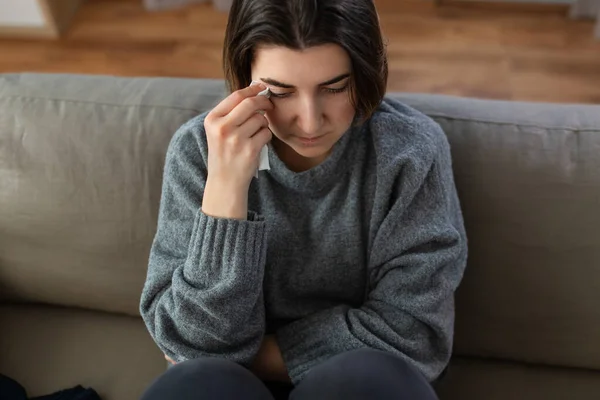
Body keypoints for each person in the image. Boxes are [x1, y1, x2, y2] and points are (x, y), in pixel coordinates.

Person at [138, 0, 468, 398]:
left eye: (334, 87)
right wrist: (225, 192)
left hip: (360, 385)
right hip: (226, 387)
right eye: (280, 92)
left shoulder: (410, 153)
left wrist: (251, 356)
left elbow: (416, 339)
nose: (310, 121)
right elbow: (188, 345)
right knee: (196, 385)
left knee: (375, 376)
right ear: (245, 78)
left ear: (364, 73)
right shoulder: (199, 153)